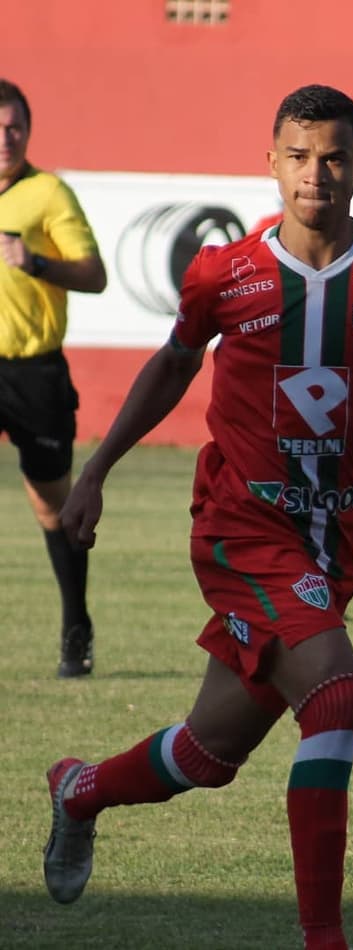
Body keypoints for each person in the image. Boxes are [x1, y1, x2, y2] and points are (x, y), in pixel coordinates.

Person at [42, 84, 353, 950]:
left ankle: (81, 788)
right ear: (271, 162)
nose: (315, 173)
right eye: (298, 155)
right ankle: (323, 938)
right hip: (240, 526)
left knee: (209, 756)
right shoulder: (227, 272)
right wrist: (96, 469)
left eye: (333, 157)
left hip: (335, 544)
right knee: (337, 696)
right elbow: (171, 368)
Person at [0, 79, 108, 678]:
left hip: (33, 371)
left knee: (51, 506)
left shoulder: (47, 195)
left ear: (28, 131)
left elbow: (95, 275)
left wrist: (34, 261)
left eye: (14, 126)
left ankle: (76, 625)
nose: (5, 138)